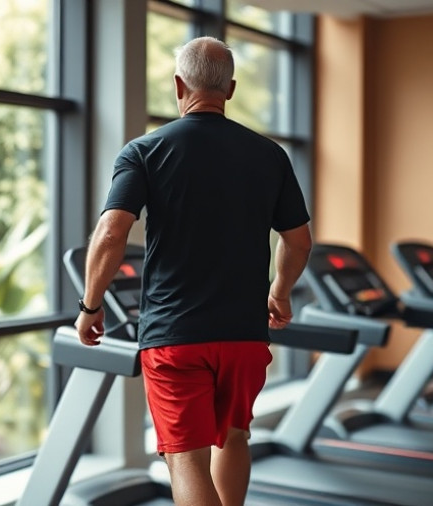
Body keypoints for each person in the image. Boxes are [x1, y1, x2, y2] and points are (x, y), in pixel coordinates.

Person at [74, 36, 312, 506]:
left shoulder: (144, 151)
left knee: (185, 458)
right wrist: (280, 293)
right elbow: (298, 240)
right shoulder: (270, 155)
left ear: (179, 86)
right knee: (236, 436)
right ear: (232, 89)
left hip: (176, 336)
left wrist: (91, 305)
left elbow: (109, 235)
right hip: (245, 333)